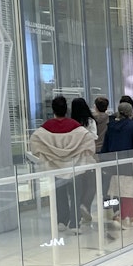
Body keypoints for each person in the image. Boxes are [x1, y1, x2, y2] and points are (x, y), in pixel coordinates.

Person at [28, 95, 94, 232]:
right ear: (66, 109)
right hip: (75, 166)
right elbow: (89, 143)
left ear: (53, 109)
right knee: (76, 195)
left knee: (59, 195)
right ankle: (75, 224)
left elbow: (34, 143)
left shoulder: (45, 128)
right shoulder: (76, 127)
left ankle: (61, 221)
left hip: (55, 168)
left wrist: (47, 155)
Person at [100, 101, 133, 227]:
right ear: (130, 112)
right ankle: (121, 216)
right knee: (131, 191)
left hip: (114, 163)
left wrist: (103, 160)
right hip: (130, 163)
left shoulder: (111, 126)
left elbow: (106, 145)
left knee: (118, 191)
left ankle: (130, 216)